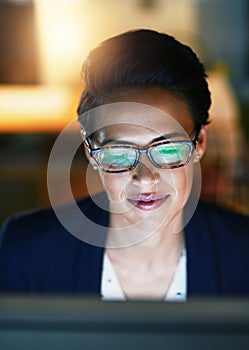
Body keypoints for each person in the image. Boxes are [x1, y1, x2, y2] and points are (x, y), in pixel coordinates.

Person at [0, 29, 248, 299]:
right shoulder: (26, 252)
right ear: (91, 151)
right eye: (119, 152)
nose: (145, 179)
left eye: (167, 150)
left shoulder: (243, 253)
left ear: (199, 143)